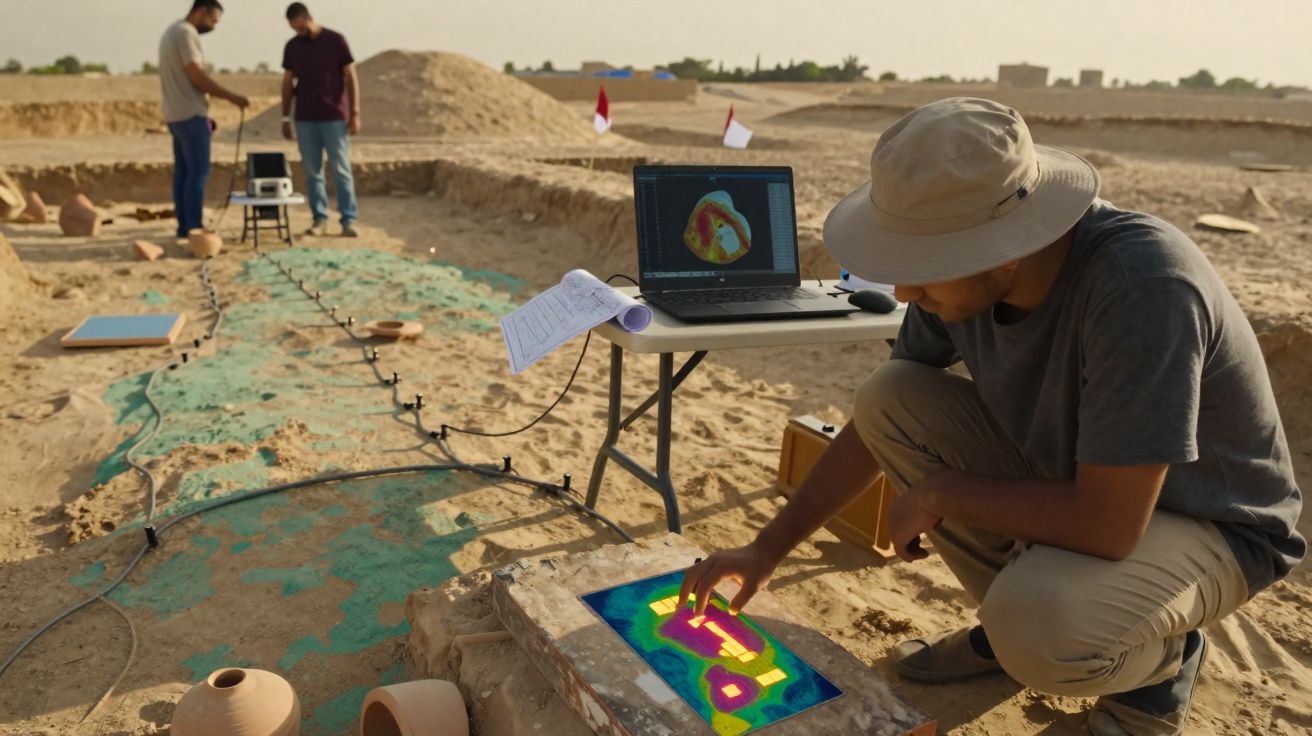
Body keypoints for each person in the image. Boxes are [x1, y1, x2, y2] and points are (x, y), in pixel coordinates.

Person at [679, 98, 1304, 736]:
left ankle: (1157, 664)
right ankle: (1013, 630)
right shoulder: (959, 268)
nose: (903, 294)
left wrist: (945, 491)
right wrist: (766, 549)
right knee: (891, 393)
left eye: (920, 269)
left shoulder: (1143, 288)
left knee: (1039, 624)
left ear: (1006, 247)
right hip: (1091, 490)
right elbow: (878, 425)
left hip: (1211, 522)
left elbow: (1111, 526)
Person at [158, 0, 250, 239]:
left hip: (175, 114)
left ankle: (184, 226)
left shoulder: (171, 31)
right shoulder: (186, 33)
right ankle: (193, 226)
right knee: (199, 172)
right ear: (201, 12)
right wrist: (232, 97)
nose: (213, 26)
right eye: (213, 21)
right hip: (190, 113)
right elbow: (196, 75)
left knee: (184, 173)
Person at [280, 2, 360, 237]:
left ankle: (348, 219)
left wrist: (354, 112)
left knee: (341, 170)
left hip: (334, 117)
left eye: (300, 27)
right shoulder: (293, 47)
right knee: (312, 172)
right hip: (305, 118)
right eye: (294, 28)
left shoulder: (336, 41)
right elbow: (287, 83)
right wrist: (285, 116)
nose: (298, 32)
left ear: (308, 18)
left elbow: (351, 77)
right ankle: (319, 218)